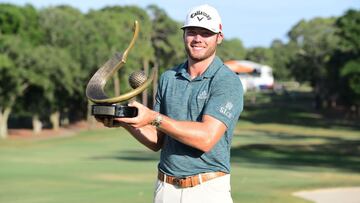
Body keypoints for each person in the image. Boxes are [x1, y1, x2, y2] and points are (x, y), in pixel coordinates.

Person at [97, 4, 243, 203]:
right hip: (166, 189)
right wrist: (123, 118)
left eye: (206, 33)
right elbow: (157, 140)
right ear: (184, 35)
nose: (198, 39)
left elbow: (206, 138)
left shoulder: (226, 81)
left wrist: (154, 117)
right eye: (192, 32)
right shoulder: (169, 78)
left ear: (219, 37)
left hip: (207, 189)